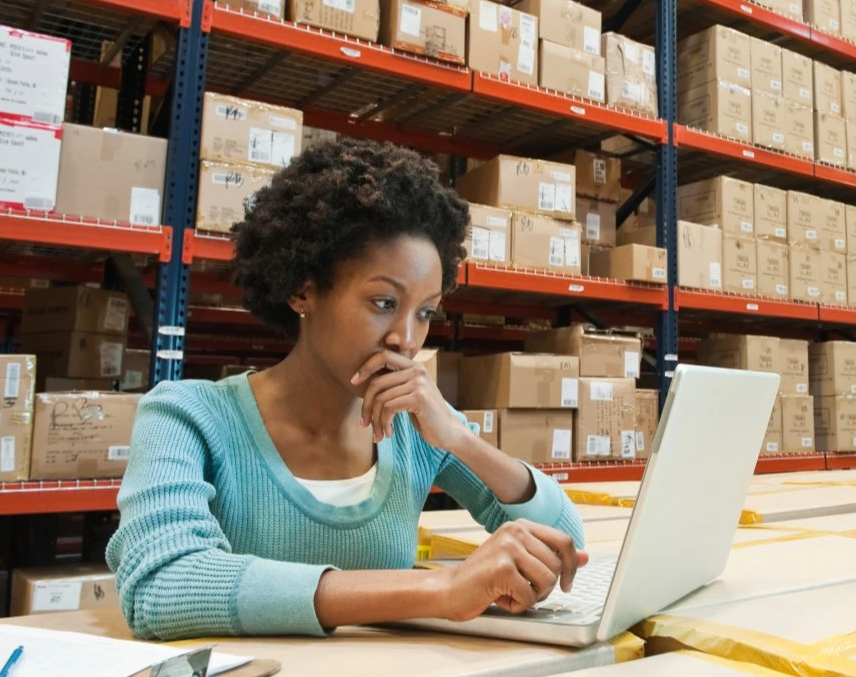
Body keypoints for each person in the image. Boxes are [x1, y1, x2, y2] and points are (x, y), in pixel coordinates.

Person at [107, 138, 586, 640]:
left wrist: (459, 439)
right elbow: (159, 588)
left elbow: (566, 548)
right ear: (303, 289)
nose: (405, 339)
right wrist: (439, 590)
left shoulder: (414, 427)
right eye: (383, 302)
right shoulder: (187, 417)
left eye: (424, 313)